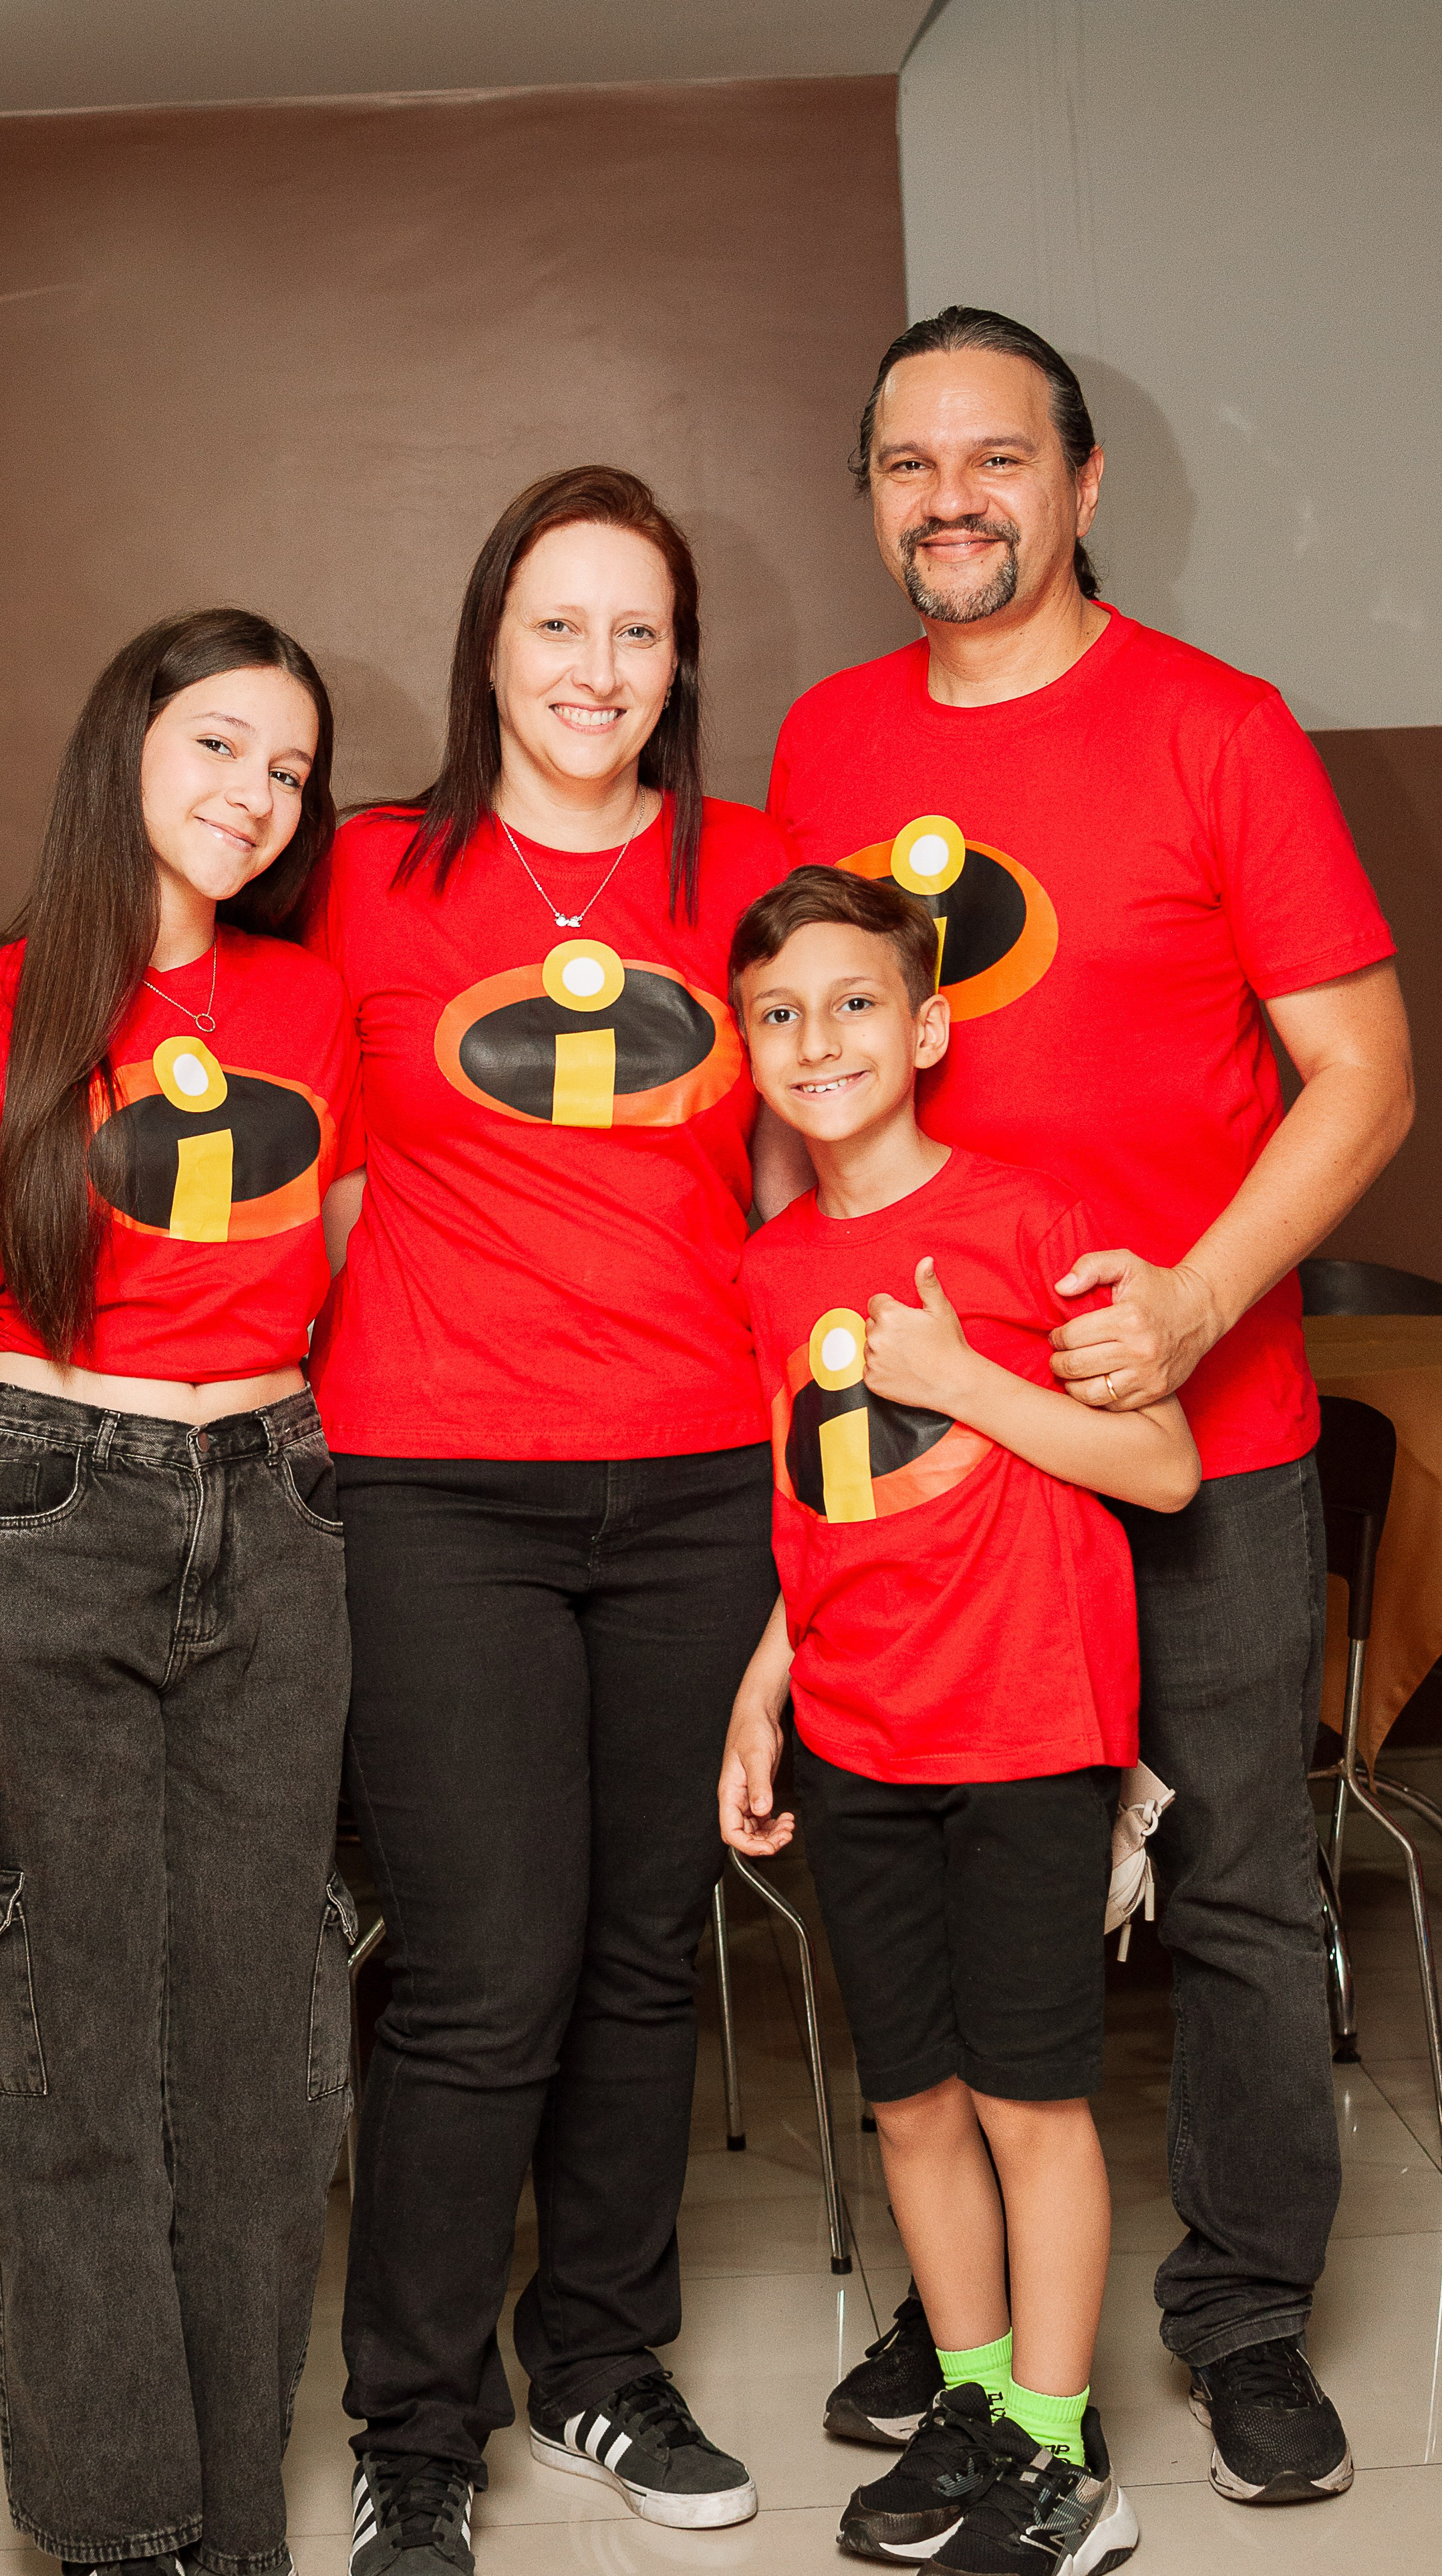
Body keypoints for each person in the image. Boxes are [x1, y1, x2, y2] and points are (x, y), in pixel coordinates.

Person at [766, 305, 1412, 2508]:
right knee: (943, 1879)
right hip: (927, 1446)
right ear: (872, 497)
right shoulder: (830, 739)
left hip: (1192, 1430)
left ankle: (1241, 2311)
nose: (951, 498)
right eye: (908, 463)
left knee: (1235, 1884)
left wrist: (1202, 1298)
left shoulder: (1221, 730)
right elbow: (803, 1068)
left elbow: (1364, 1075)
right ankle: (962, 2326)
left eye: (997, 457)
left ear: (1083, 483)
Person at [307, 467, 795, 2573]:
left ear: (681, 661)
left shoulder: (753, 869)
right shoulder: (360, 872)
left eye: (639, 630)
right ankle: (416, 2425)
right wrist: (38, 1336)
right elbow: (249, 1127)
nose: (599, 669)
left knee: (640, 1953)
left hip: (700, 1479)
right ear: (489, 645)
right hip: (437, 1484)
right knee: (483, 1969)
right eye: (558, 624)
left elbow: (800, 1173)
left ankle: (600, 2352)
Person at [0, 609, 364, 2576]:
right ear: (126, 746)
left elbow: (347, 1280)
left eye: (289, 768)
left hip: (278, 1508)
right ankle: (118, 2531)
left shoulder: (311, 1002)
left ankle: (233, 2528)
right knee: (66, 2052)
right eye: (220, 743)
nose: (255, 793)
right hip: (44, 1511)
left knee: (261, 2070)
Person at [722, 866, 1199, 2572]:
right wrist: (761, 1689)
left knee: (1023, 2100)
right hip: (859, 1734)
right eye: (777, 1014)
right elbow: (817, 1498)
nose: (816, 1039)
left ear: (924, 1027)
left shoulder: (1026, 1219)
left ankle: (1062, 2458)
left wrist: (963, 1379)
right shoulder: (772, 1266)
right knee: (912, 2100)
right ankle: (982, 2400)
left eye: (853, 1002)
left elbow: (1162, 1464)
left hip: (1025, 1726)